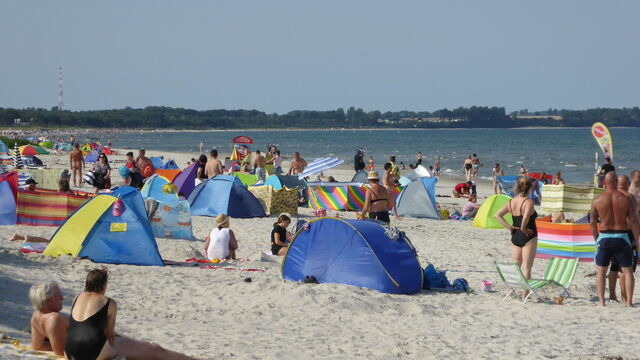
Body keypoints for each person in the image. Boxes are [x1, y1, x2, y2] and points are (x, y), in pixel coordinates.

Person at [29, 278, 194, 359]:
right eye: (59, 296)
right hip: (96, 348)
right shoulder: (54, 319)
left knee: (150, 349)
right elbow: (60, 351)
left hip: (91, 344)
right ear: (48, 299)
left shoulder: (36, 316)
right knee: (154, 349)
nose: (63, 298)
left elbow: (37, 346)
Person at [590, 172, 638, 307]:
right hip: (622, 236)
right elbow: (634, 220)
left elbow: (592, 222)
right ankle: (629, 303)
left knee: (601, 271)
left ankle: (601, 301)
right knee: (627, 271)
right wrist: (636, 239)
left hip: (604, 237)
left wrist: (596, 239)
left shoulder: (598, 199)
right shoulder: (626, 198)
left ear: (605, 182)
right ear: (616, 181)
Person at [494, 177, 538, 293]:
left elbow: (497, 215)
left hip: (515, 235)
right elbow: (526, 216)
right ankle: (525, 294)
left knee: (516, 266)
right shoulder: (528, 201)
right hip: (528, 235)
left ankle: (512, 291)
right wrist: (523, 228)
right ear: (529, 188)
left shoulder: (511, 201)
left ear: (517, 187)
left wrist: (509, 227)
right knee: (526, 267)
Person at [607, 175, 639, 303]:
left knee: (614, 267)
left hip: (609, 233)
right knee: (627, 268)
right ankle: (626, 297)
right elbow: (634, 220)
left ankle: (613, 295)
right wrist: (636, 239)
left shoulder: (609, 196)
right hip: (626, 234)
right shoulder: (629, 198)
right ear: (628, 183)